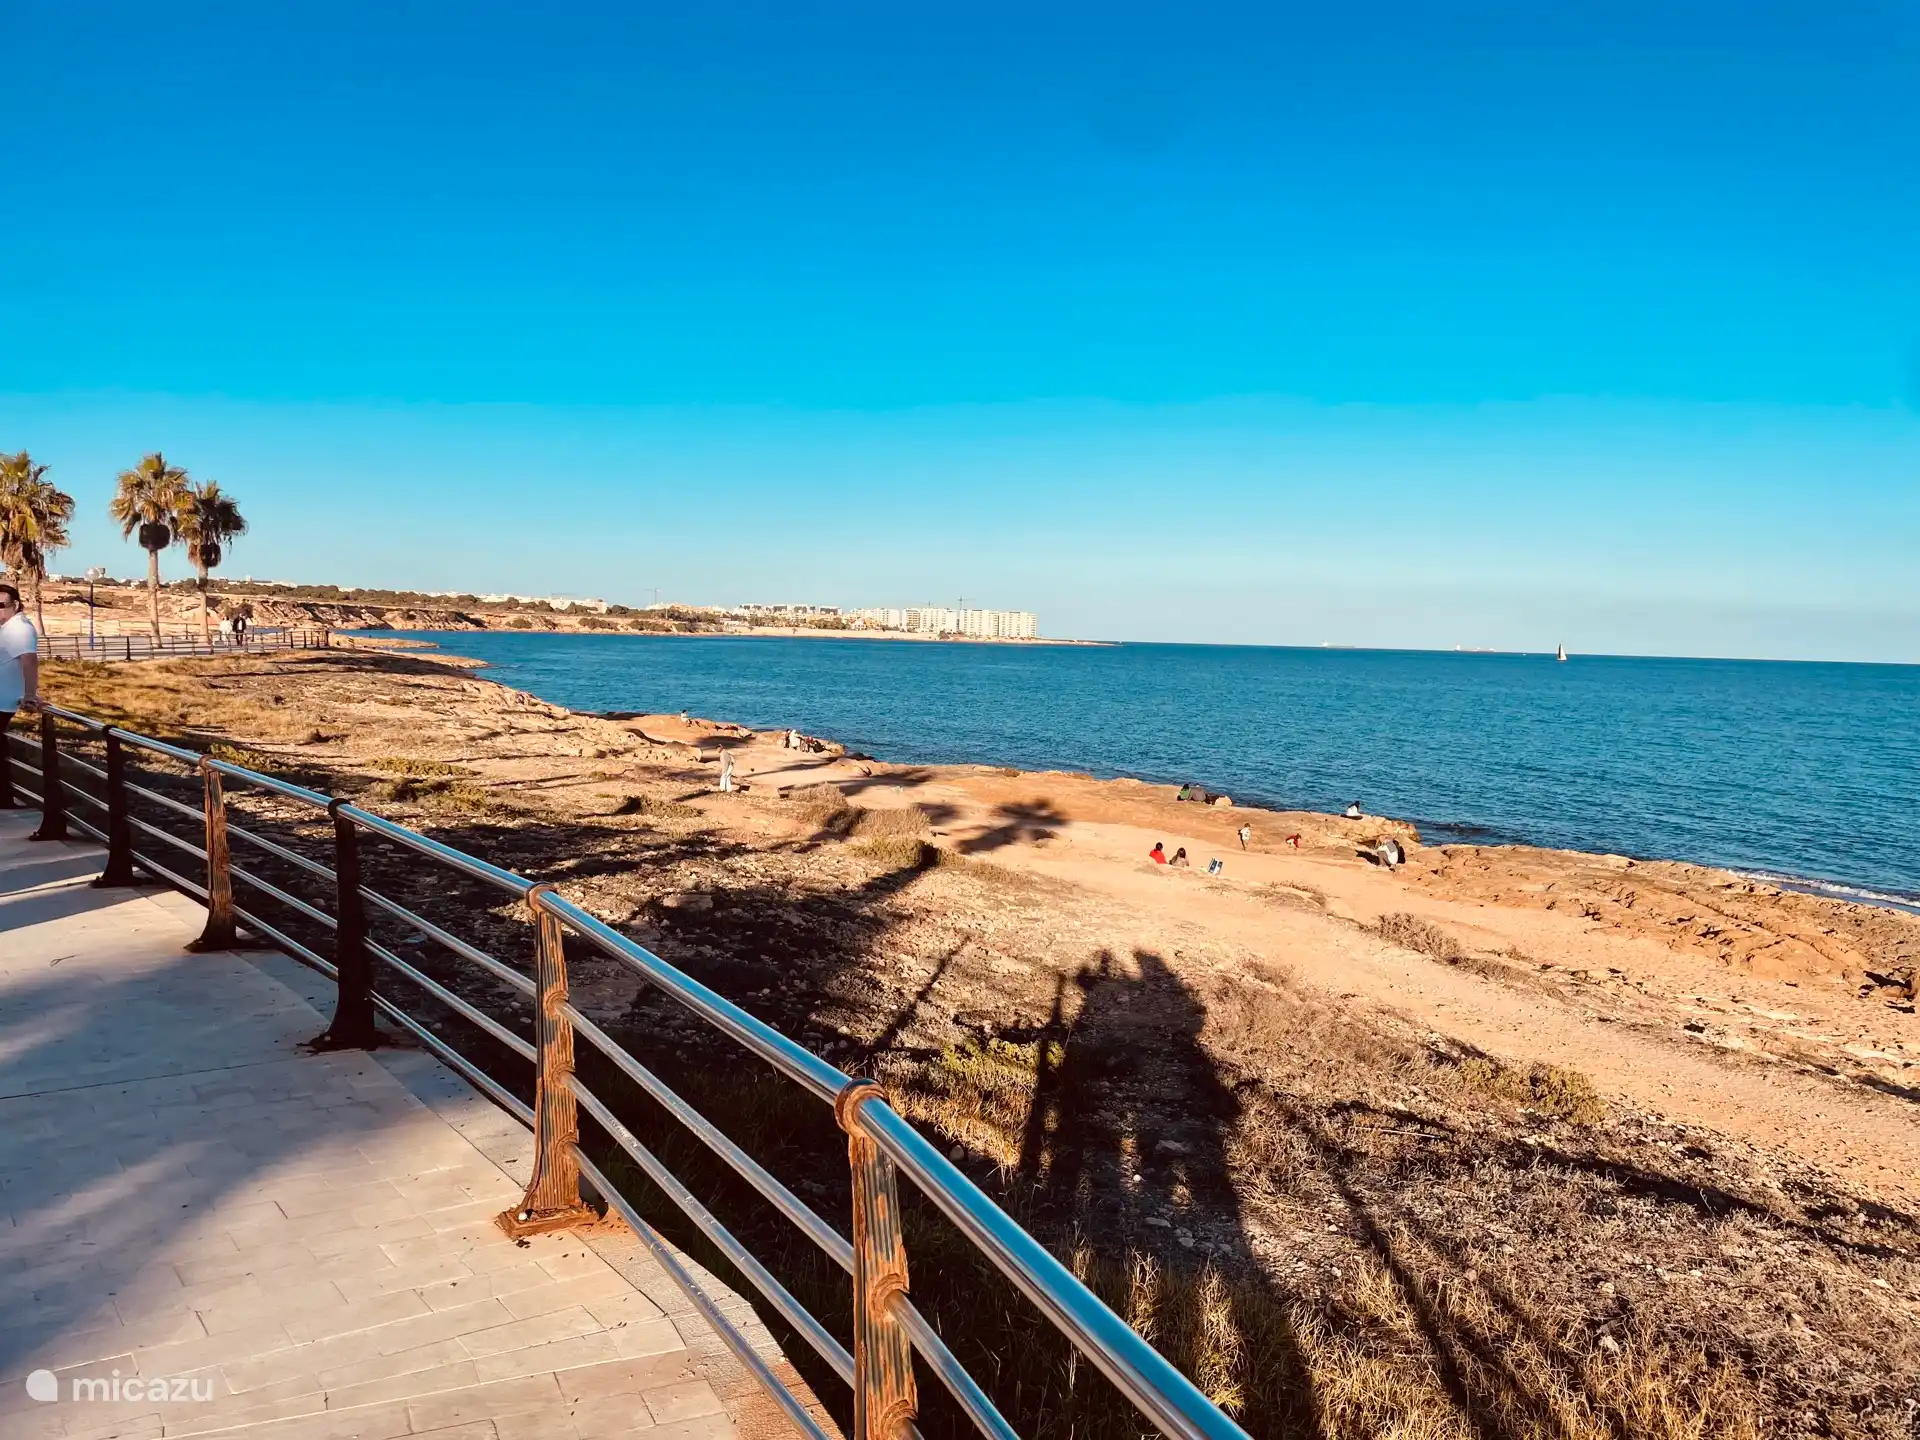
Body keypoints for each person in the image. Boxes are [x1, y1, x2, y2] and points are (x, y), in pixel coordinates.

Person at [0, 583, 41, 808]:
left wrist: (30, 694)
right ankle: (4, 798)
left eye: (1, 605)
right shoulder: (7, 627)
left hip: (2, 701)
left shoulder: (21, 628)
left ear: (15, 605)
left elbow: (29, 660)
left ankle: (4, 799)